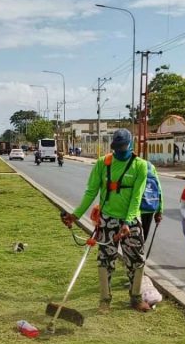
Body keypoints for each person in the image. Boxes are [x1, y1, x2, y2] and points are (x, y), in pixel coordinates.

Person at [61, 128, 150, 312]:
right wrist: (75, 215)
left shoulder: (140, 165)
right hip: (108, 220)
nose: (119, 151)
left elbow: (136, 197)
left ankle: (135, 297)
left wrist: (127, 222)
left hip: (131, 221)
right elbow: (90, 192)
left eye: (123, 147)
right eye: (116, 148)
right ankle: (105, 300)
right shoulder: (103, 164)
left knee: (136, 260)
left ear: (130, 144)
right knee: (105, 260)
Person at [139, 160, 163, 238]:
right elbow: (159, 191)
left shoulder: (134, 164)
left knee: (134, 236)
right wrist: (159, 210)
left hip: (136, 209)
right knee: (144, 235)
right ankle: (141, 248)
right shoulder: (151, 167)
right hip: (150, 206)